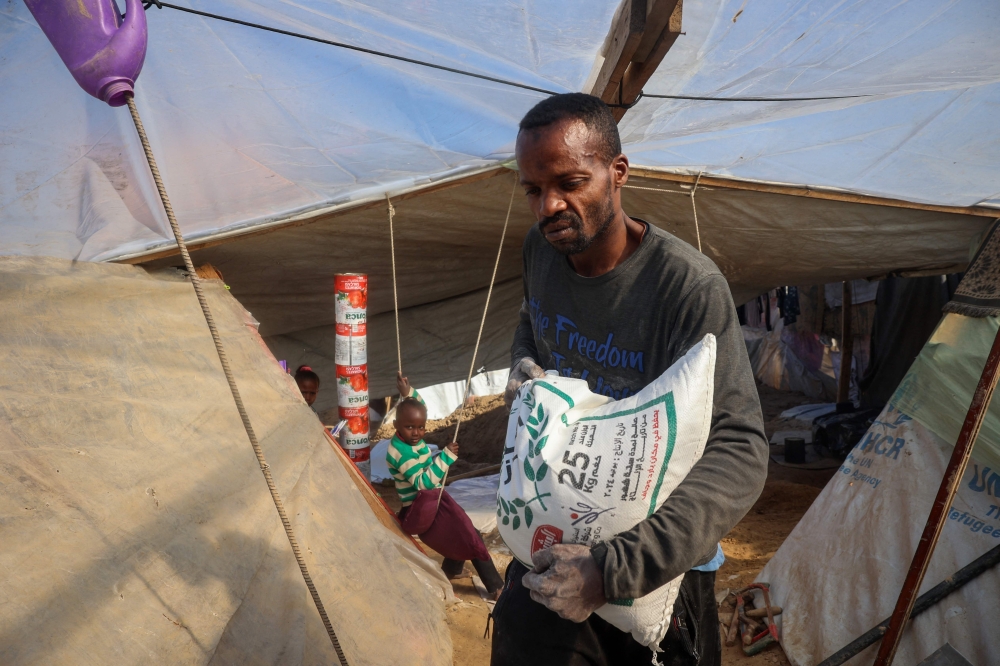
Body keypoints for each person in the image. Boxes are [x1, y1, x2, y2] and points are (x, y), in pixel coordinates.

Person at [490, 93, 768, 665]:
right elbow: (530, 320)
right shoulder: (539, 253)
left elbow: (741, 449)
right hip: (551, 539)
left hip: (657, 570)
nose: (548, 207)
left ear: (617, 173)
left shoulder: (687, 288)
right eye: (533, 190)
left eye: (569, 182)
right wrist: (524, 364)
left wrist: (611, 571)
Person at [388, 390, 505, 597]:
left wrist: (408, 392)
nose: (416, 433)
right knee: (470, 534)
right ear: (396, 425)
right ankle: (495, 586)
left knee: (460, 527)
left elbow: (420, 408)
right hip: (420, 509)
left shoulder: (407, 439)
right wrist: (445, 457)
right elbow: (423, 483)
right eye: (409, 427)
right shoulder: (400, 452)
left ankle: (452, 569)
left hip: (432, 500)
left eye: (421, 427)